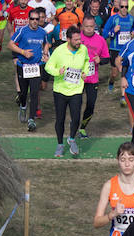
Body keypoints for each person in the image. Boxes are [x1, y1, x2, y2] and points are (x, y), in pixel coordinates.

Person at [45, 26, 89, 157]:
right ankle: (60, 144)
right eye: (75, 40)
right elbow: (48, 66)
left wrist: (85, 72)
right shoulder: (59, 51)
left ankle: (71, 138)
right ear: (68, 39)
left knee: (76, 118)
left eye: (79, 39)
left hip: (76, 90)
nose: (78, 42)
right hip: (60, 90)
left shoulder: (83, 49)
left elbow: (87, 61)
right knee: (60, 119)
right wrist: (57, 72)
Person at [10, 7, 48, 132]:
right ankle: (23, 106)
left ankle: (31, 119)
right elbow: (10, 44)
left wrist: (46, 52)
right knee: (23, 93)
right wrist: (22, 52)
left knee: (34, 93)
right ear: (28, 19)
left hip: (36, 66)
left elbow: (45, 43)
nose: (35, 21)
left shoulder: (42, 32)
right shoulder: (22, 31)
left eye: (37, 19)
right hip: (23, 66)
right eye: (32, 19)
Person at [79, 13, 110, 138]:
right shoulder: (77, 38)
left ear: (95, 26)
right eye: (86, 26)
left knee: (91, 104)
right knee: (76, 104)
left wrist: (100, 61)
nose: (89, 29)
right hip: (78, 77)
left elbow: (107, 58)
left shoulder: (100, 40)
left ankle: (83, 128)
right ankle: (74, 125)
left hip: (92, 78)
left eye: (91, 26)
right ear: (82, 26)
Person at [101, 0, 134, 94]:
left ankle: (125, 94)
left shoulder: (131, 19)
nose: (124, 9)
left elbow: (133, 29)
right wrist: (113, 31)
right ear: (118, 7)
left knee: (127, 72)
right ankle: (111, 83)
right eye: (122, 6)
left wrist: (133, 33)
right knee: (115, 73)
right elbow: (104, 35)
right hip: (115, 49)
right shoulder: (113, 19)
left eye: (126, 7)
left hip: (127, 49)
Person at [8, 0, 33, 105]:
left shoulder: (32, 11)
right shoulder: (13, 11)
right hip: (17, 44)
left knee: (29, 68)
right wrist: (11, 33)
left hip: (28, 44)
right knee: (17, 66)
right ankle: (20, 92)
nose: (23, 1)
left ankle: (28, 90)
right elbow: (9, 22)